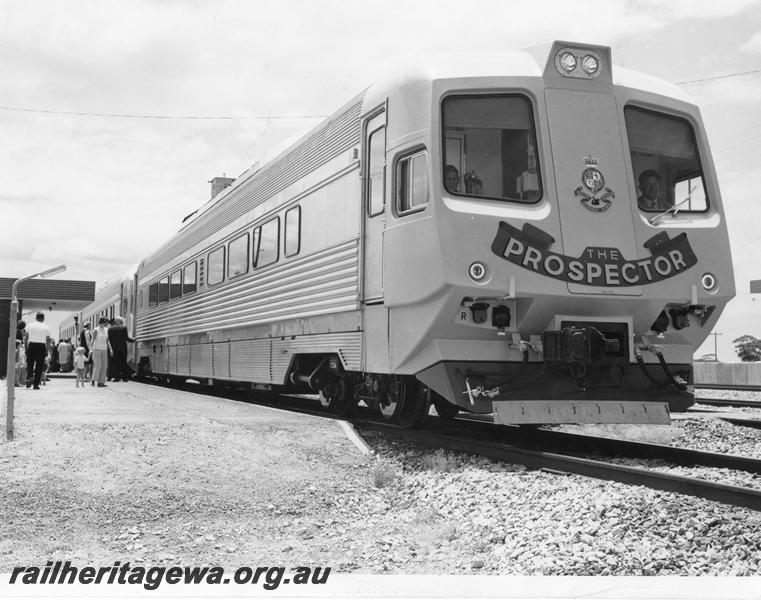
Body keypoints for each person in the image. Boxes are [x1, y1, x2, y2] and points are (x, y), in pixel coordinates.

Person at [24, 311, 51, 390]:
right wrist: (47, 350)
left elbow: (26, 338)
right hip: (41, 346)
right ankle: (36, 385)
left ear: (36, 318)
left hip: (31, 345)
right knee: (39, 366)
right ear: (43, 318)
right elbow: (48, 340)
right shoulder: (46, 327)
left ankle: (30, 377)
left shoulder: (29, 325)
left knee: (30, 364)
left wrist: (26, 347)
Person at [107, 316, 136, 382]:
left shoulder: (110, 329)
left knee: (116, 363)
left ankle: (117, 378)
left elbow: (109, 340)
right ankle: (125, 378)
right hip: (122, 348)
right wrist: (133, 340)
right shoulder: (124, 327)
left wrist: (110, 349)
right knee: (123, 362)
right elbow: (126, 338)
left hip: (114, 349)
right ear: (120, 321)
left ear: (116, 321)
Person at [90, 317, 112, 387]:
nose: (107, 324)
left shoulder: (106, 330)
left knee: (104, 366)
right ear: (102, 322)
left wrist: (111, 349)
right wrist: (91, 349)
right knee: (98, 365)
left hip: (104, 349)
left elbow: (107, 340)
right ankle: (93, 380)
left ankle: (101, 382)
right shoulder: (96, 330)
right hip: (96, 349)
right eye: (106, 322)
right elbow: (92, 341)